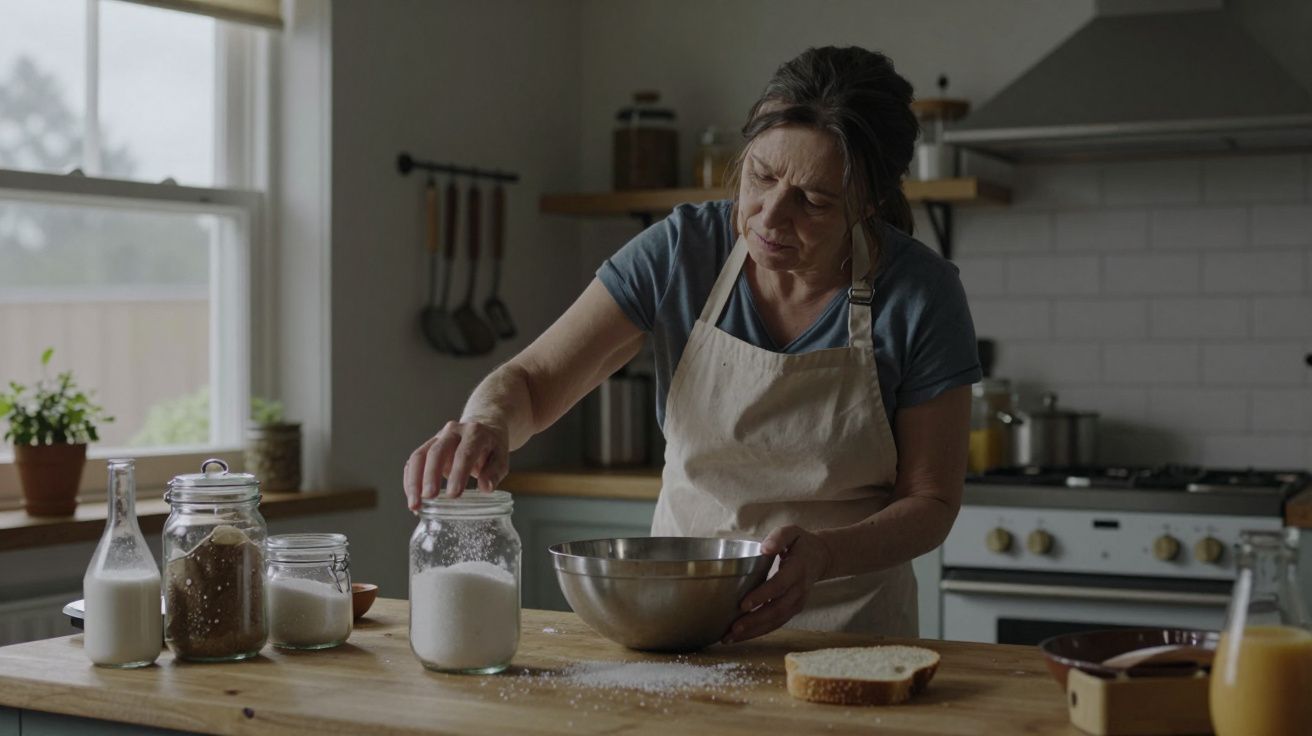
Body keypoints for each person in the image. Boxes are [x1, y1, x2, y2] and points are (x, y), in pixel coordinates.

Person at [403, 46, 979, 642]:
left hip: (849, 632)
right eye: (761, 176)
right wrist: (487, 422)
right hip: (678, 621)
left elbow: (930, 502)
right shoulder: (681, 251)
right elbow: (533, 381)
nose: (770, 217)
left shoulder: (921, 293)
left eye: (814, 200)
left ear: (872, 203)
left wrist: (825, 557)